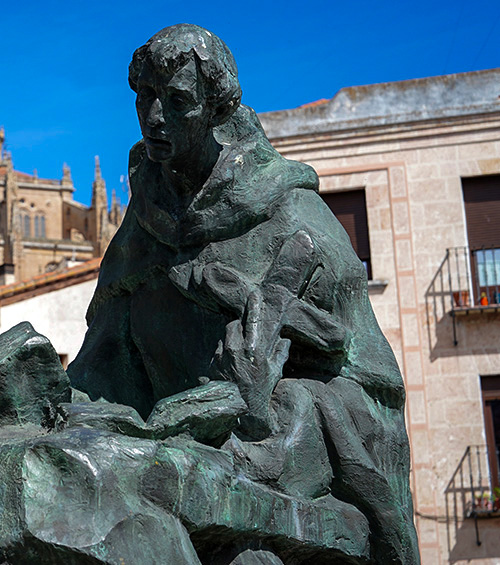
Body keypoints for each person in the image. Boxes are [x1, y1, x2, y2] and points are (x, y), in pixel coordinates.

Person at [68, 24, 418, 564]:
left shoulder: (292, 217)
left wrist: (277, 415)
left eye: (178, 102)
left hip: (270, 463)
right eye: (146, 99)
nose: (156, 118)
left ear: (216, 109)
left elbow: (372, 390)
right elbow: (102, 365)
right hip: (168, 455)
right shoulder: (142, 229)